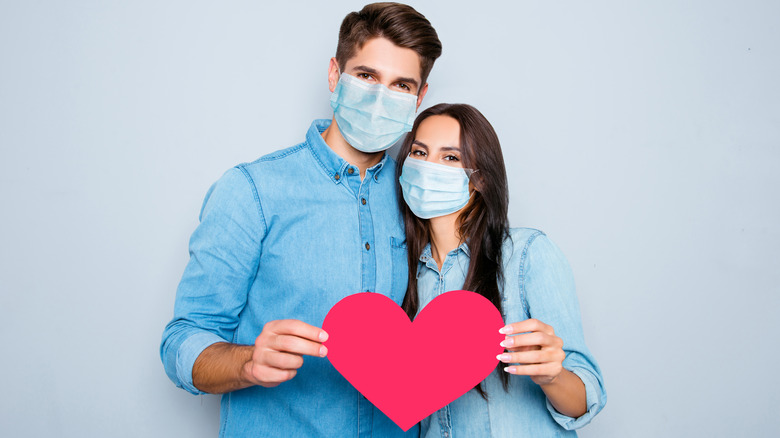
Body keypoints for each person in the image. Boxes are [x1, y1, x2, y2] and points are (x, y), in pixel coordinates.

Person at [160, 3, 441, 437]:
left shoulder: (421, 200)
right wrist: (247, 362)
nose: (381, 96)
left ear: (419, 99)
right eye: (366, 76)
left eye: (401, 85)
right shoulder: (253, 190)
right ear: (334, 75)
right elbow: (183, 339)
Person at [396, 103, 607, 436]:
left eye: (450, 158)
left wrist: (552, 375)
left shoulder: (526, 255)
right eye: (419, 153)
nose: (427, 167)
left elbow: (584, 400)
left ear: (478, 179)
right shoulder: (404, 276)